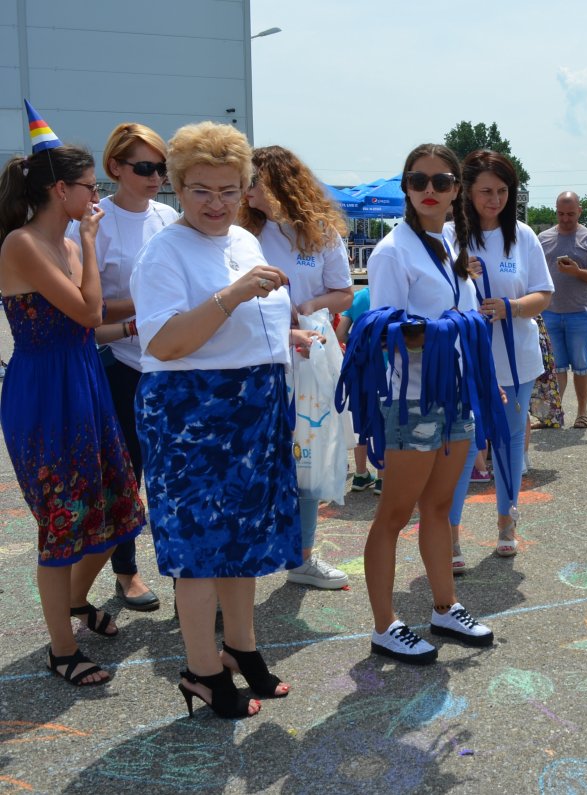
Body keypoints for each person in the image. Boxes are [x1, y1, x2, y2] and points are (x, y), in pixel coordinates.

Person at [132, 121, 310, 718]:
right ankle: (202, 670)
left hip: (253, 404)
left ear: (245, 190)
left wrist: (287, 335)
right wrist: (233, 296)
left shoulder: (243, 241)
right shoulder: (163, 251)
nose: (216, 203)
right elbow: (164, 342)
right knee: (201, 550)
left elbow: (239, 328)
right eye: (201, 190)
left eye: (229, 190)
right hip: (193, 413)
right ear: (177, 189)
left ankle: (242, 648)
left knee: (246, 542)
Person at [1, 132, 145, 687]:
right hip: (44, 396)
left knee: (116, 509)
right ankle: (62, 650)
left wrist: (154, 305)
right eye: (91, 188)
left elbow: (99, 315)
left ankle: (77, 603)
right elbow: (87, 312)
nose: (97, 198)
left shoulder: (59, 245)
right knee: (61, 524)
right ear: (61, 190)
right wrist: (89, 240)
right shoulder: (22, 245)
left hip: (84, 382)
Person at [362, 143, 495, 664]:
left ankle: (445, 605)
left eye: (442, 182)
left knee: (440, 507)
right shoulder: (393, 251)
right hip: (413, 398)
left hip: (456, 394)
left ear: (456, 189)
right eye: (419, 182)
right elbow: (383, 331)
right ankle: (384, 624)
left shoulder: (452, 242)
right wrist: (445, 332)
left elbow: (463, 315)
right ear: (406, 187)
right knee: (393, 514)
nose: (430, 191)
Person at [64, 122, 176, 612]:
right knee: (126, 476)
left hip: (171, 363)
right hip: (121, 364)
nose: (156, 177)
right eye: (145, 167)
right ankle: (126, 572)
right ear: (114, 168)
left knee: (172, 475)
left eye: (162, 167)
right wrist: (143, 307)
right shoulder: (92, 222)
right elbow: (82, 305)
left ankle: (184, 572)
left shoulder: (171, 217)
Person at [240, 144, 354, 589]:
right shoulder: (241, 231)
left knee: (306, 461)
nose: (244, 191)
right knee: (258, 462)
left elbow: (343, 292)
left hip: (310, 359)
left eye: (252, 181)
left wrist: (308, 305)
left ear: (278, 184)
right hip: (256, 359)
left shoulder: (321, 231)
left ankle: (302, 558)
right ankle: (242, 561)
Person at [446, 150, 553, 564]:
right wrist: (459, 274)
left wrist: (511, 307)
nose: (495, 200)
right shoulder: (449, 236)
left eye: (503, 191)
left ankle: (506, 520)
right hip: (465, 361)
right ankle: (451, 535)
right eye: (486, 191)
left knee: (509, 442)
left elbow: (543, 294)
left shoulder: (522, 235)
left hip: (516, 357)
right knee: (465, 445)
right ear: (467, 192)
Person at [538, 191, 587, 429]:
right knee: (555, 368)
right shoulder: (543, 238)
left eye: (570, 213)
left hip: (579, 313)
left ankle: (582, 412)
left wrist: (578, 272)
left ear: (580, 210)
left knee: (581, 365)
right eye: (560, 213)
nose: (565, 218)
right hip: (549, 312)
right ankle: (553, 415)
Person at [337, 285, 383, 495]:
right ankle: (383, 476)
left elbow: (340, 332)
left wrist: (359, 345)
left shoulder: (360, 296)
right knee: (384, 422)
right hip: (387, 368)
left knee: (361, 422)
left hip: (361, 368)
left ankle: (360, 473)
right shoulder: (393, 293)